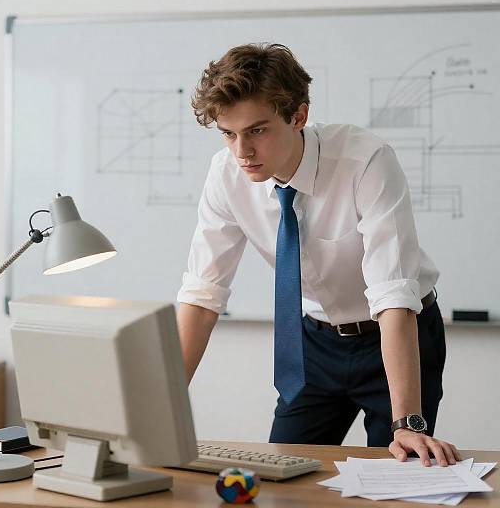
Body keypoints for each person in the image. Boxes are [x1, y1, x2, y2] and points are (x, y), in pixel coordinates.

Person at [176, 43, 460, 466]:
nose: (242, 152)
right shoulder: (225, 176)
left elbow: (393, 295)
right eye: (228, 133)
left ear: (298, 116)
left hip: (397, 334)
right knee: (280, 473)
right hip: (313, 343)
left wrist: (408, 422)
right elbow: (202, 296)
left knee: (394, 476)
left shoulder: (365, 161)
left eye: (257, 130)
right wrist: (161, 404)